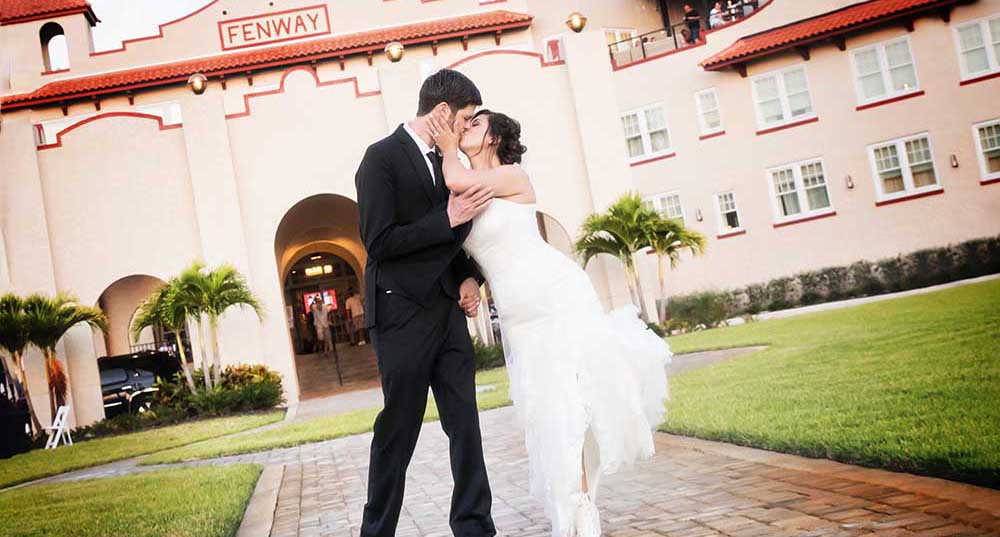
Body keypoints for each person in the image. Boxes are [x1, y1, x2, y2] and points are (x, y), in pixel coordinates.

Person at [427, 109, 670, 537]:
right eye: (464, 125)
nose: (464, 128)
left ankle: (580, 514)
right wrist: (468, 276)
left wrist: (448, 148)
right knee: (545, 415)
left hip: (557, 298)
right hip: (520, 319)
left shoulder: (512, 176)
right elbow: (468, 241)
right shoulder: (465, 185)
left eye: (475, 124)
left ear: (494, 138)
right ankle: (572, 509)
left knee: (569, 407)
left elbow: (457, 181)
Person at [354, 69, 496, 537]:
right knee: (399, 429)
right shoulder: (379, 159)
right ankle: (377, 532)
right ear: (442, 113)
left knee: (465, 423)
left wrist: (467, 278)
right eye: (466, 118)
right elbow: (380, 242)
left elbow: (450, 243)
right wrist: (447, 217)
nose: (468, 127)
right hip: (399, 317)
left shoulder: (446, 164)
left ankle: (474, 525)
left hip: (447, 314)